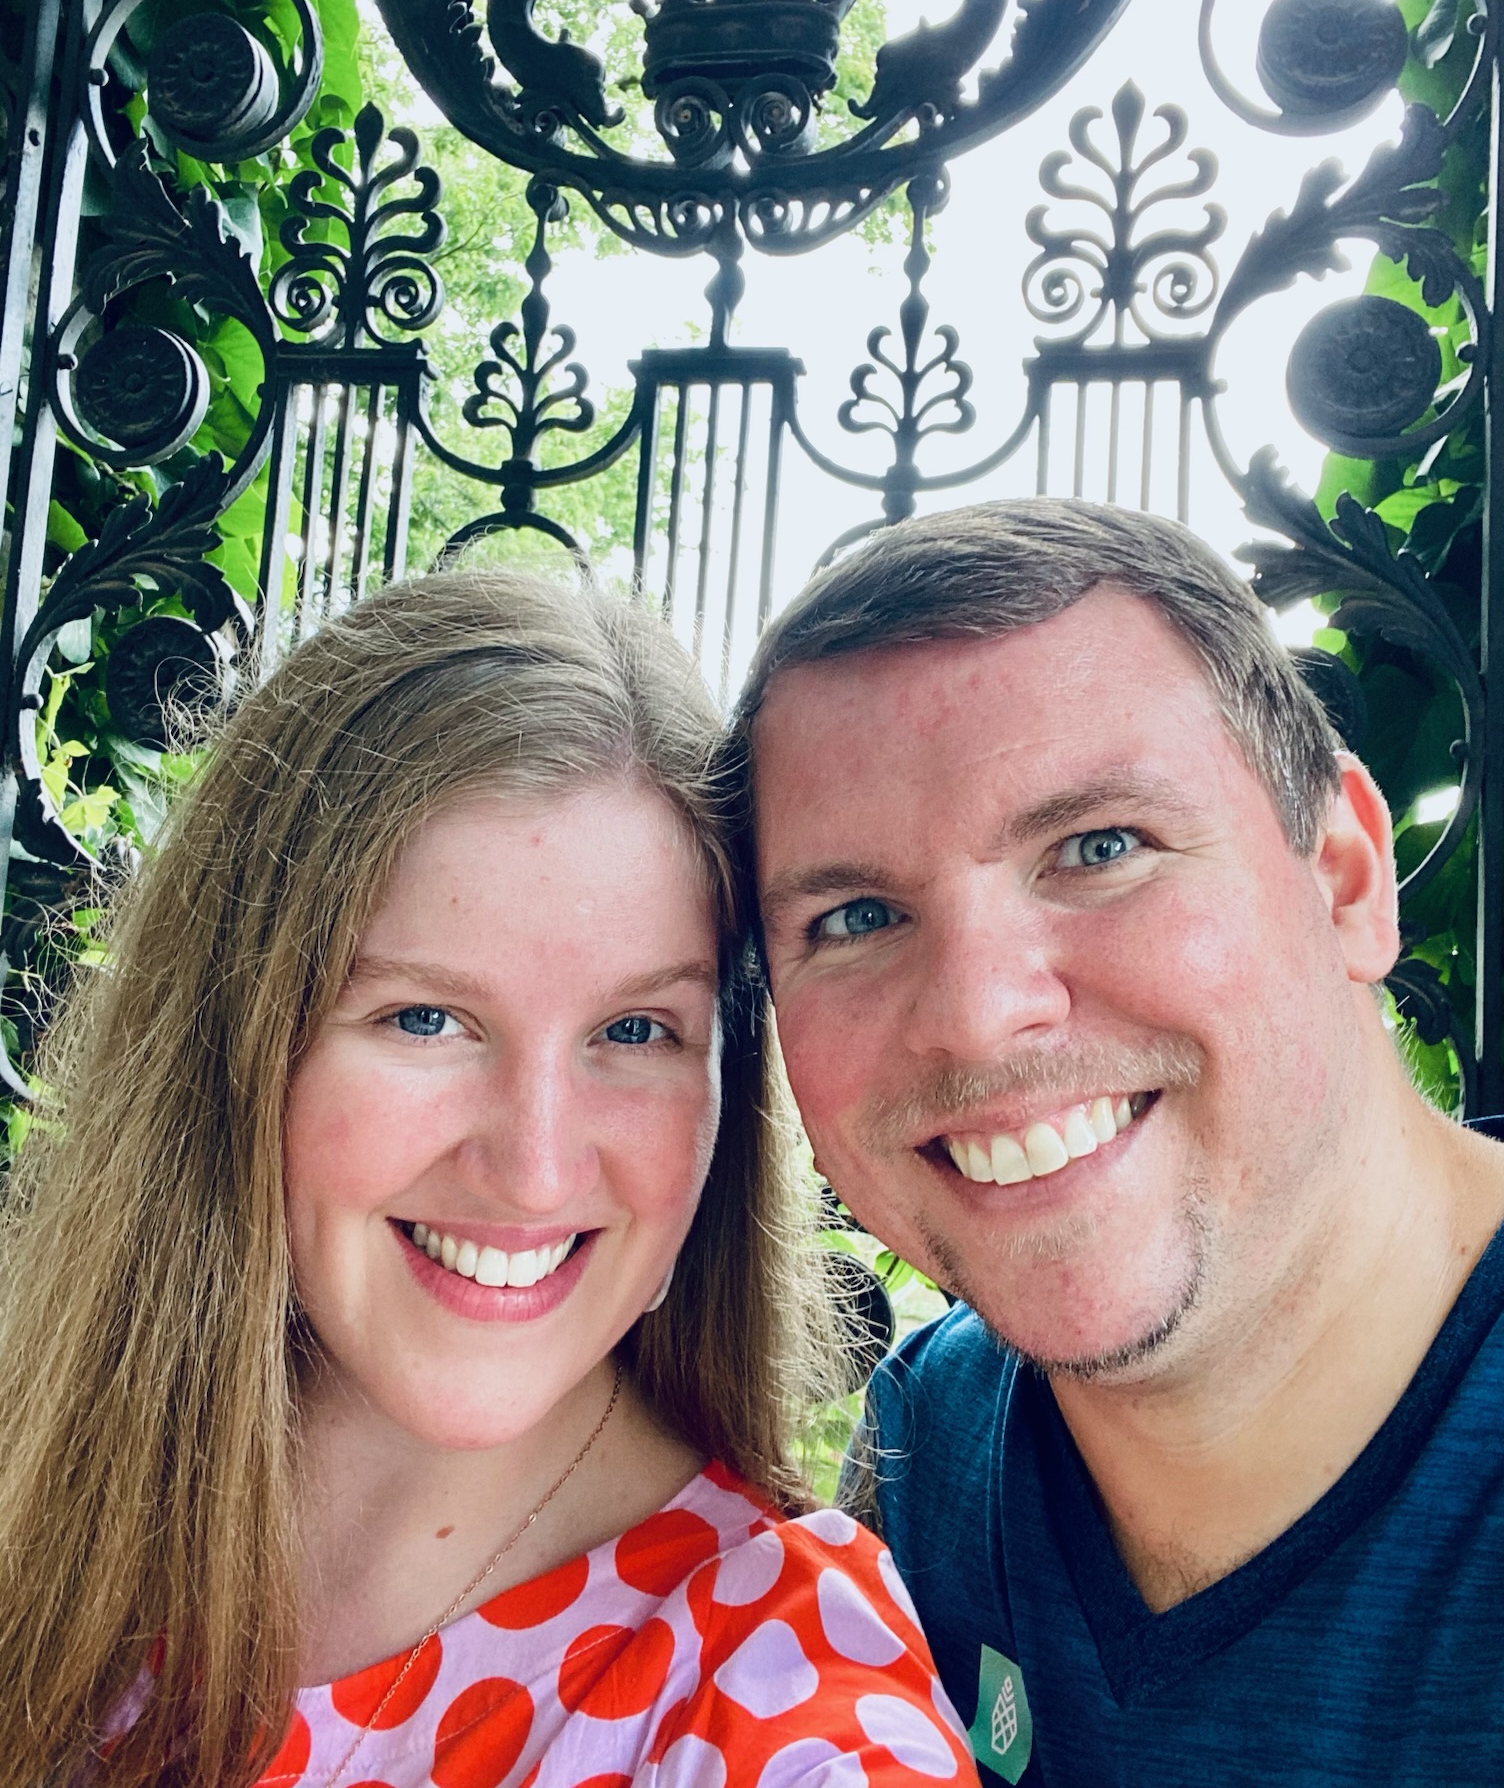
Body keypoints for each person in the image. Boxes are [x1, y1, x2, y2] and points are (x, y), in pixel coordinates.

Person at [0, 570, 977, 1788]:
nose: (535, 1165)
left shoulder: (773, 1693)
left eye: (635, 1031)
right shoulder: (49, 1506)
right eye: (425, 1016)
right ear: (232, 1048)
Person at [730, 499, 1504, 1787]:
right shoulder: (929, 1443)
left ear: (1344, 876)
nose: (980, 1015)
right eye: (859, 913)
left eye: (1100, 846)